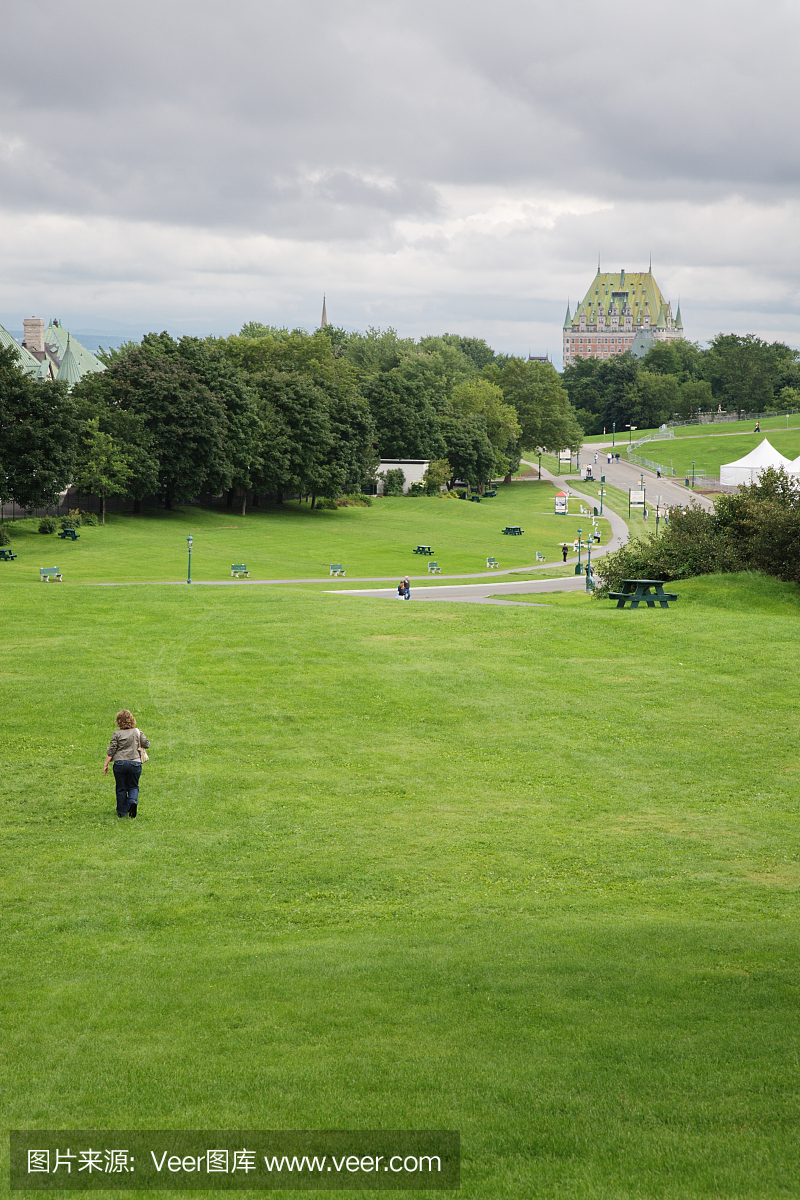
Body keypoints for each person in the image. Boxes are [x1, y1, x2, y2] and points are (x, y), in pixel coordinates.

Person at [104, 709, 150, 818]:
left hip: (119, 764)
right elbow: (147, 744)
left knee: (121, 788)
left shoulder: (117, 733)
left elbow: (112, 750)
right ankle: (132, 801)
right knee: (133, 786)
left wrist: (106, 764)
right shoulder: (137, 732)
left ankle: (122, 812)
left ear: (118, 721)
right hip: (135, 763)